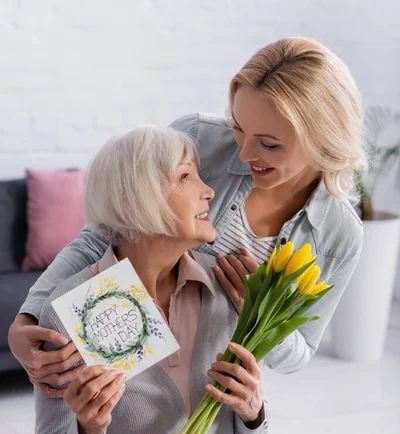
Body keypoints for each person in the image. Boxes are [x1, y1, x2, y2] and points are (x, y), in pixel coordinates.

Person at [9, 37, 366, 397]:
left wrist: (259, 315)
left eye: (269, 144)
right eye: (239, 127)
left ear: (324, 140)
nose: (244, 153)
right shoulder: (197, 139)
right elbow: (105, 233)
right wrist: (28, 316)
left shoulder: (339, 235)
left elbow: (298, 355)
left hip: (207, 393)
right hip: (126, 349)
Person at [34, 126, 269, 434]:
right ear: (135, 199)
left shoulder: (226, 288)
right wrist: (86, 430)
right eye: (184, 176)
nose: (207, 191)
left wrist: (252, 408)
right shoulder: (67, 310)